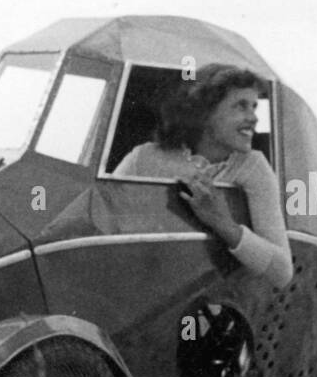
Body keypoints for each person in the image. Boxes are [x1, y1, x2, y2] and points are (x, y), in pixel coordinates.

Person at [116, 63, 293, 290]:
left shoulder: (254, 166)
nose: (253, 118)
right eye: (241, 106)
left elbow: (282, 273)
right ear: (204, 112)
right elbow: (102, 222)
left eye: (254, 107)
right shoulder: (143, 158)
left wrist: (224, 224)